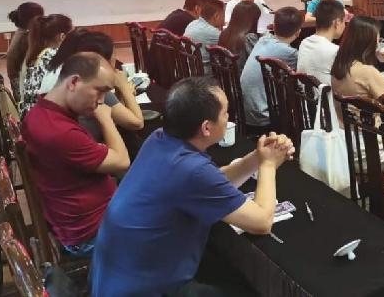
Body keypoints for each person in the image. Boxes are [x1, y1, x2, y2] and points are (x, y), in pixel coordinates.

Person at [90, 77, 294, 296]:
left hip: (118, 274)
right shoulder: (190, 169)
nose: (228, 117)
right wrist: (268, 165)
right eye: (225, 113)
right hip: (143, 288)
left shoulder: (159, 139)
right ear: (206, 127)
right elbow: (262, 222)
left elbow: (212, 182)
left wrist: (256, 157)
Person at [21, 53, 130, 258]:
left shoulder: (42, 111)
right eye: (100, 91)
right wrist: (106, 119)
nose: (101, 101)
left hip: (86, 220)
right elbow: (122, 162)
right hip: (91, 235)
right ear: (73, 82)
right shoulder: (59, 132)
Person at [39, 31, 144, 140]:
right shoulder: (93, 87)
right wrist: (125, 88)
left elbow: (115, 115)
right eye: (113, 55)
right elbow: (137, 123)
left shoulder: (58, 73)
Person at [241, 7, 304, 126]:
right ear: (298, 32)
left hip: (244, 111)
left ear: (273, 27)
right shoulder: (290, 53)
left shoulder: (263, 40)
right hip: (263, 116)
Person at [331, 16, 384, 105]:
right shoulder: (367, 72)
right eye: (378, 40)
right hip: (369, 114)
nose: (378, 44)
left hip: (344, 114)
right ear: (369, 43)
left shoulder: (338, 64)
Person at [19, 14, 73, 116]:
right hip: (42, 117)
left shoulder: (38, 54)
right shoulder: (55, 57)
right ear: (62, 37)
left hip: (30, 116)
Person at [298, 0, 346, 85]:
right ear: (337, 22)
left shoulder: (304, 43)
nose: (344, 25)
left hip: (304, 93)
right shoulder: (335, 51)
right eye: (344, 21)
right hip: (326, 93)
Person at [6, 2, 44, 101]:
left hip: (18, 79)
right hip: (21, 82)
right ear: (33, 19)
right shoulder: (26, 38)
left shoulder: (21, 32)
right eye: (41, 17)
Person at [184, 0, 225, 72]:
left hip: (191, 69)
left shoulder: (192, 24)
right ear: (216, 16)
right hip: (207, 74)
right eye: (223, 15)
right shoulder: (212, 32)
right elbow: (230, 47)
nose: (224, 19)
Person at [218, 1, 261, 71]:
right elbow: (259, 61)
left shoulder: (224, 33)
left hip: (229, 75)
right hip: (243, 75)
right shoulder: (249, 37)